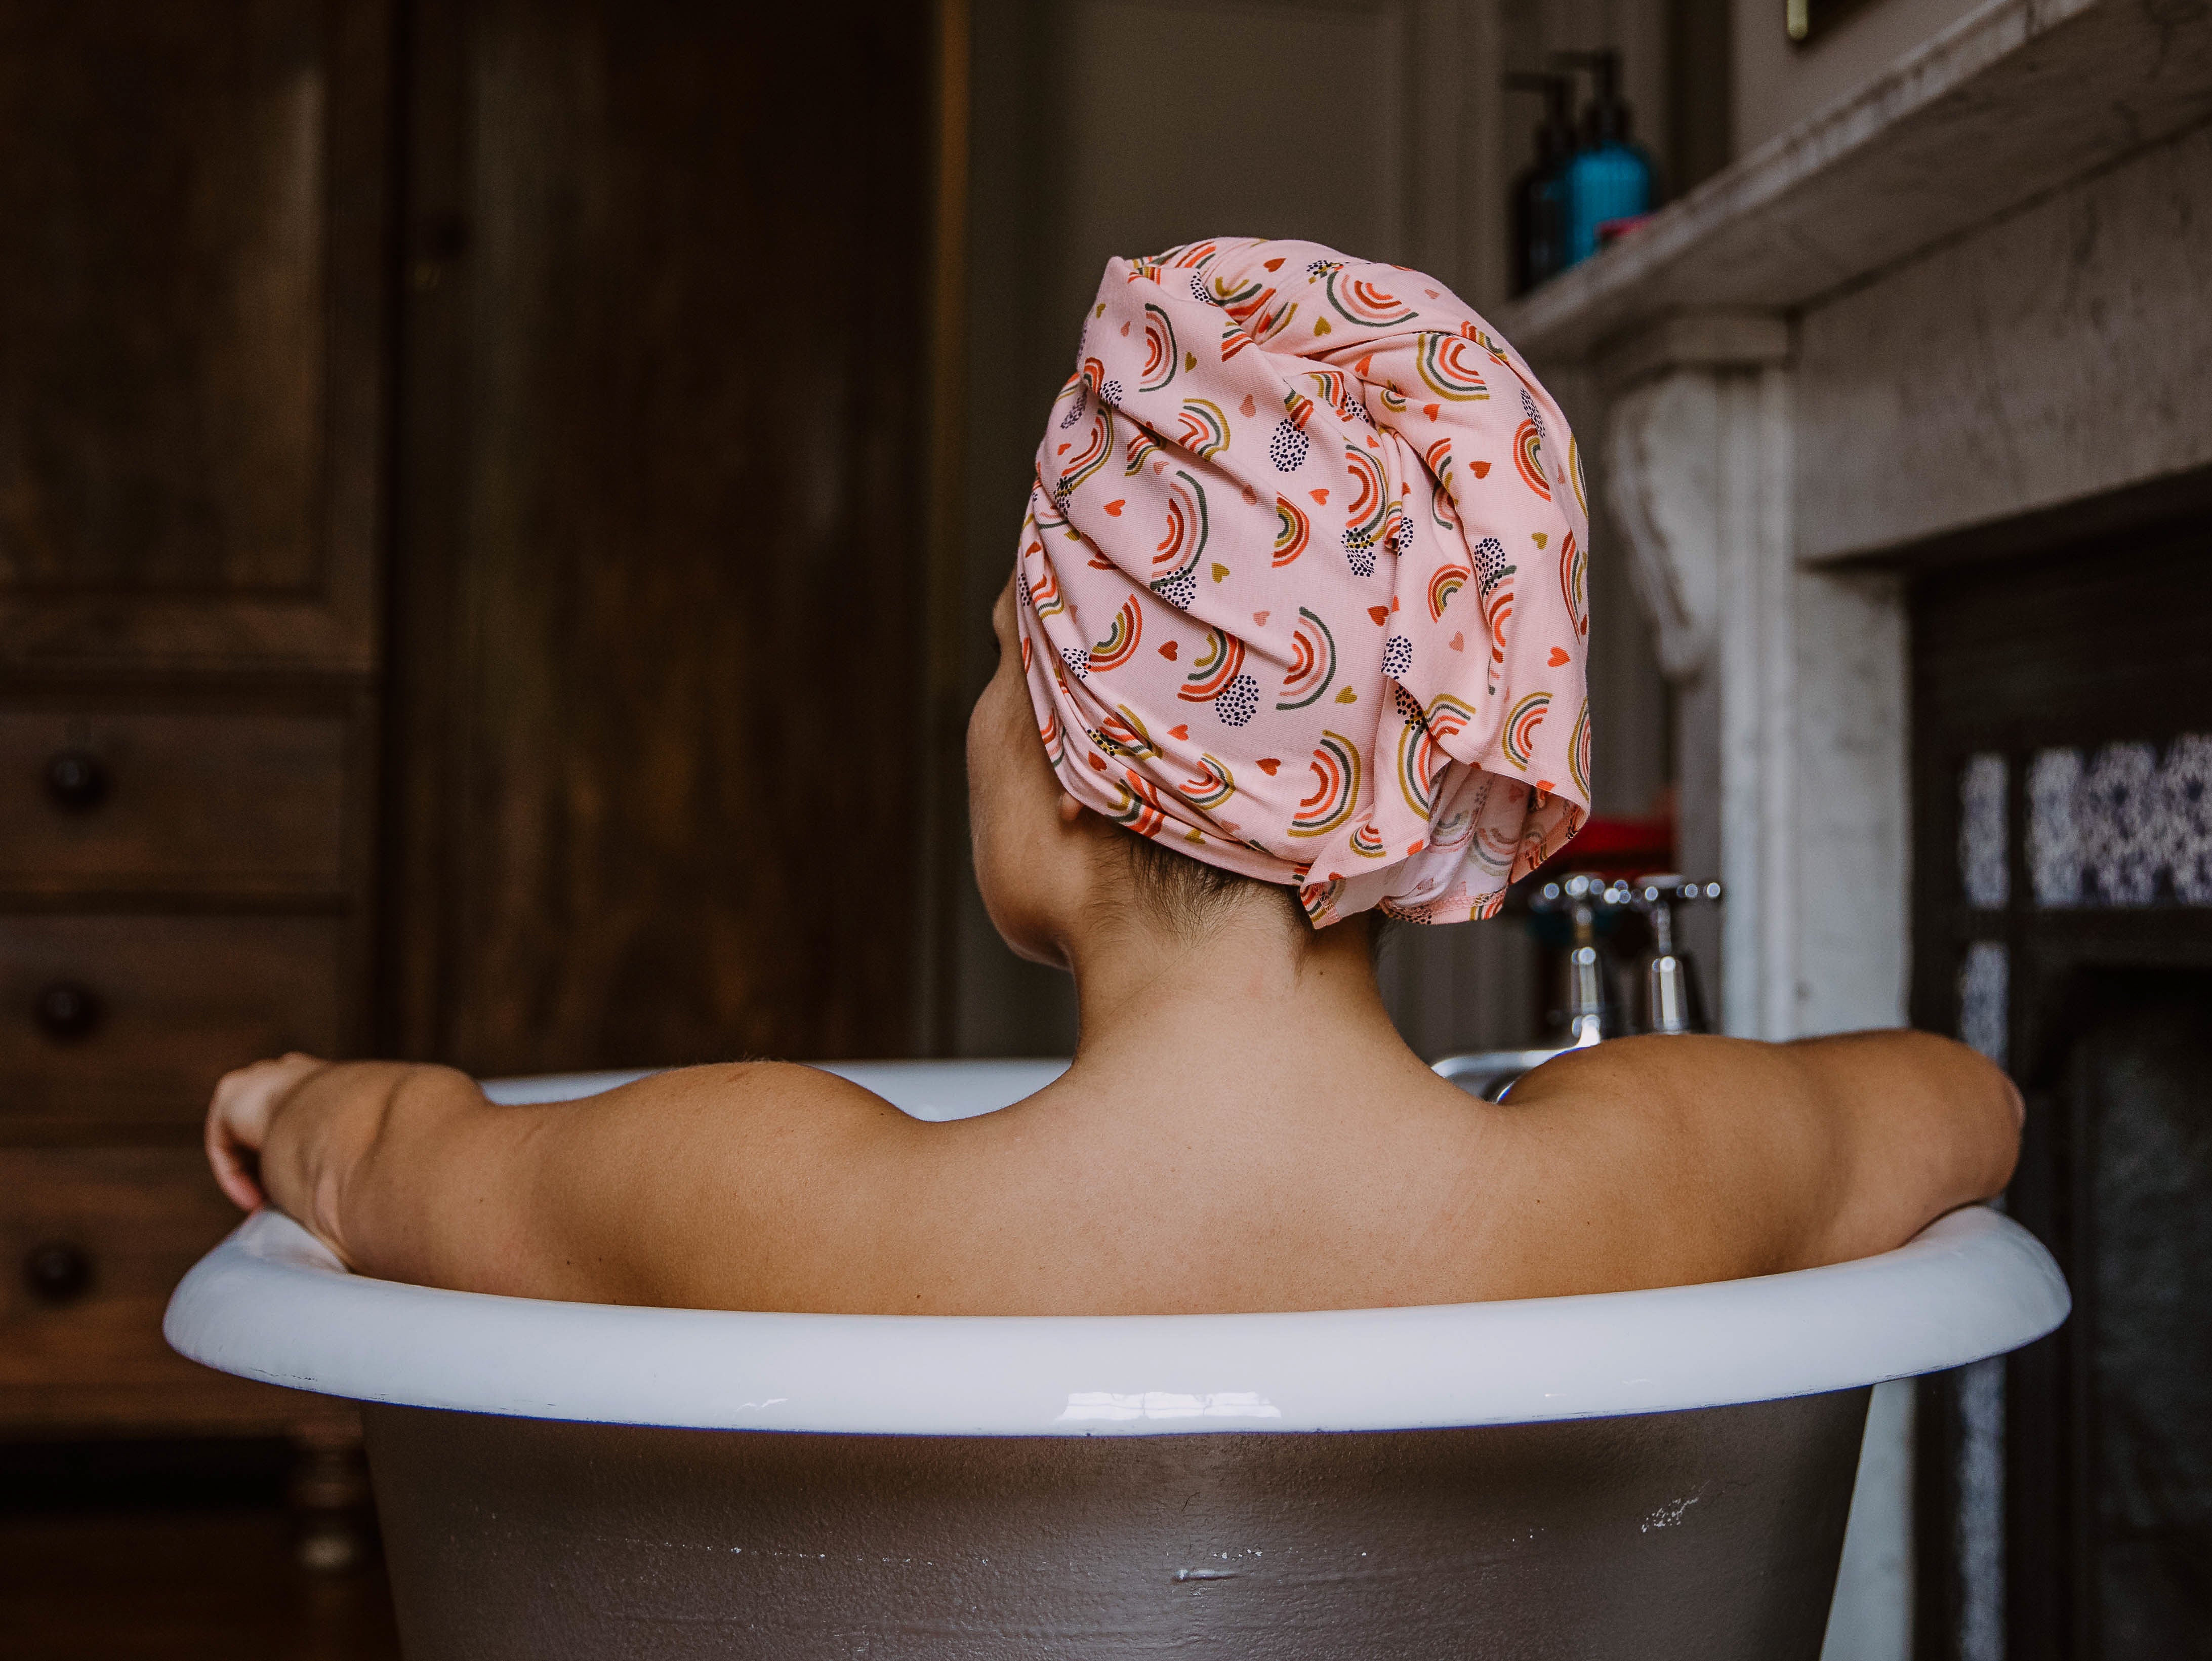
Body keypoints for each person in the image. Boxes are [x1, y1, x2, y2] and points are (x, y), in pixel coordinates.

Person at [204, 238, 2020, 1315]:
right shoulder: (1639, 1186)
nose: (982, 706)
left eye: (1011, 651)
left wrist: (290, 1099)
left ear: (1083, 752)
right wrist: (1641, 1092)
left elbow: (406, 1160)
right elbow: (1967, 1103)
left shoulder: (787, 1197)